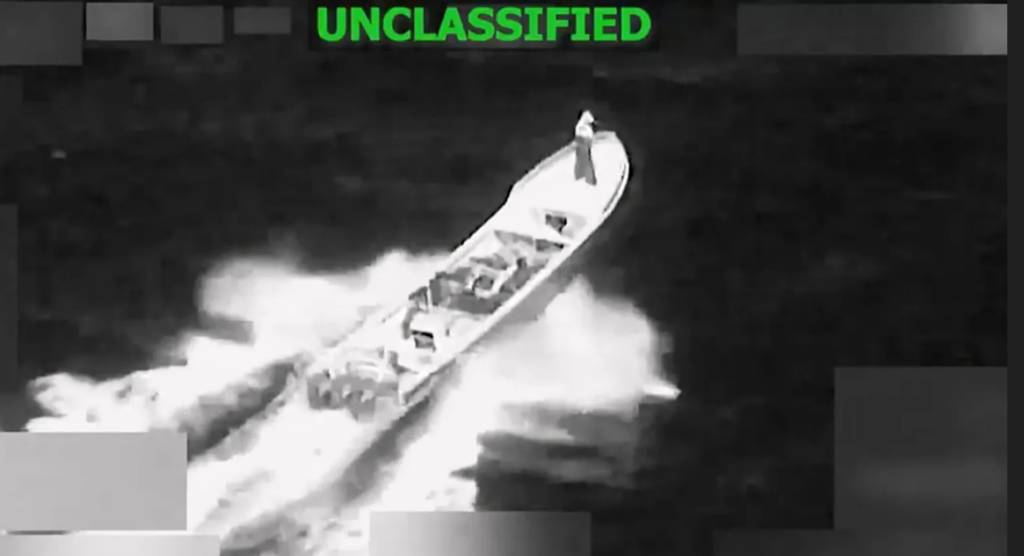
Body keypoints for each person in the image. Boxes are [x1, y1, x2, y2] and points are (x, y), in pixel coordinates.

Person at [573, 110, 598, 186]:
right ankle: (589, 179)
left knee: (581, 157)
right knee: (586, 159)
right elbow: (593, 122)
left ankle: (579, 175)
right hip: (584, 138)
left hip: (580, 138)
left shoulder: (580, 124)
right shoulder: (587, 114)